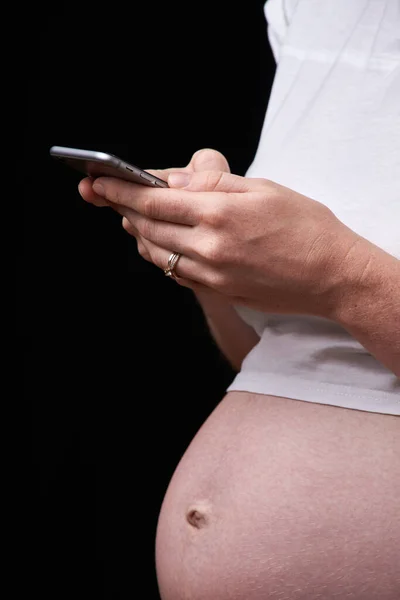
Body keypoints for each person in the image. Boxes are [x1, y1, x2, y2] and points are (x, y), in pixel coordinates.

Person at [79, 0, 399, 597]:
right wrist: (217, 261)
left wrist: (343, 274)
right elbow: (272, 355)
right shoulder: (313, 14)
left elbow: (337, 285)